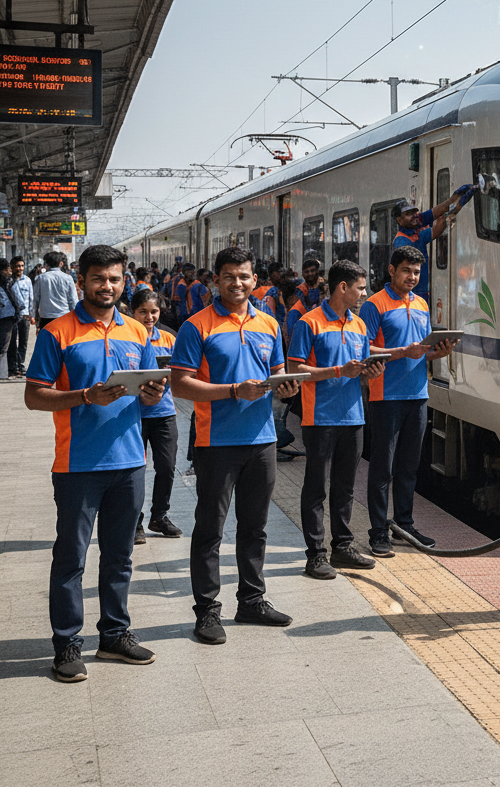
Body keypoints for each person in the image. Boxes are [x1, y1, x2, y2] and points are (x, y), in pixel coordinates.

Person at [25, 244, 167, 681]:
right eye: (98, 279)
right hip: (77, 465)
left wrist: (153, 395)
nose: (107, 286)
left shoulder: (138, 332)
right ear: (80, 281)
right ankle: (67, 644)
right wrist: (86, 396)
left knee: (120, 555)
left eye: (115, 279)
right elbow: (34, 395)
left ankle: (114, 635)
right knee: (71, 557)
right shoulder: (58, 332)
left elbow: (148, 395)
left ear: (125, 281)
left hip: (129, 461)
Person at [170, 245, 299, 645]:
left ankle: (252, 600)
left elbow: (276, 372)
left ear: (254, 281)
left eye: (244, 276)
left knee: (255, 526)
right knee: (210, 528)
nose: (237, 283)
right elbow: (180, 383)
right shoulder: (197, 326)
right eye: (229, 276)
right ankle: (207, 611)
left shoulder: (269, 324)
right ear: (216, 280)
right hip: (216, 442)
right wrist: (231, 391)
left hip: (262, 440)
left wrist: (288, 388)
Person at [287, 259, 384, 576]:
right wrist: (338, 371)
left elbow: (361, 363)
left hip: (353, 417)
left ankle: (342, 547)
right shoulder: (309, 323)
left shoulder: (358, 325)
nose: (364, 293)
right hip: (320, 418)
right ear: (343, 287)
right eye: (360, 287)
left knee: (345, 487)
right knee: (316, 487)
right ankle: (316, 553)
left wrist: (371, 371)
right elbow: (294, 370)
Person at [359, 245, 454, 557]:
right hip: (386, 396)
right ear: (392, 271)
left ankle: (403, 525)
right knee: (382, 468)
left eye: (416, 272)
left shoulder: (423, 304)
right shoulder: (374, 305)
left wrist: (437, 352)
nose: (412, 277)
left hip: (418, 394)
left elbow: (422, 349)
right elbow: (365, 350)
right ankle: (378, 532)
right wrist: (403, 352)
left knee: (409, 466)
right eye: (406, 271)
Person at [131, 289, 182, 539]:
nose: (149, 317)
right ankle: (135, 521)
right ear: (133, 312)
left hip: (164, 413)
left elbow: (183, 373)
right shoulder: (127, 338)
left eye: (154, 312)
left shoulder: (169, 339)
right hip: (134, 415)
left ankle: (159, 516)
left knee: (167, 466)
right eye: (143, 312)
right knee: (136, 470)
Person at [390, 183, 476, 302]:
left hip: (421, 293)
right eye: (408, 214)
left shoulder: (416, 235)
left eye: (414, 212)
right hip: (411, 296)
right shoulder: (402, 242)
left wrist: (455, 202)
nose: (415, 216)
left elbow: (435, 223)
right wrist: (455, 206)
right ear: (399, 220)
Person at [33, 251, 79, 329]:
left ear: (46, 264)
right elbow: (73, 300)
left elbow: (35, 299)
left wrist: (33, 317)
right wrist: (76, 317)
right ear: (60, 263)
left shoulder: (40, 278)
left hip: (46, 318)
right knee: (63, 340)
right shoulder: (68, 278)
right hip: (64, 316)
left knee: (48, 340)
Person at [8, 255, 33, 377]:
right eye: (18, 266)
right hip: (11, 317)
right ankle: (12, 366)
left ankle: (21, 364)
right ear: (12, 267)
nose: (20, 268)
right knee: (12, 342)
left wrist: (32, 315)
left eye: (22, 266)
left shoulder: (27, 281)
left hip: (24, 316)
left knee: (23, 342)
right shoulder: (8, 281)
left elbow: (31, 299)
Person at [0, 257, 19, 374]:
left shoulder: (8, 282)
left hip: (8, 317)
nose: (10, 271)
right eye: (7, 269)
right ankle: (2, 373)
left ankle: (7, 370)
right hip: (6, 317)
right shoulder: (5, 283)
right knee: (3, 347)